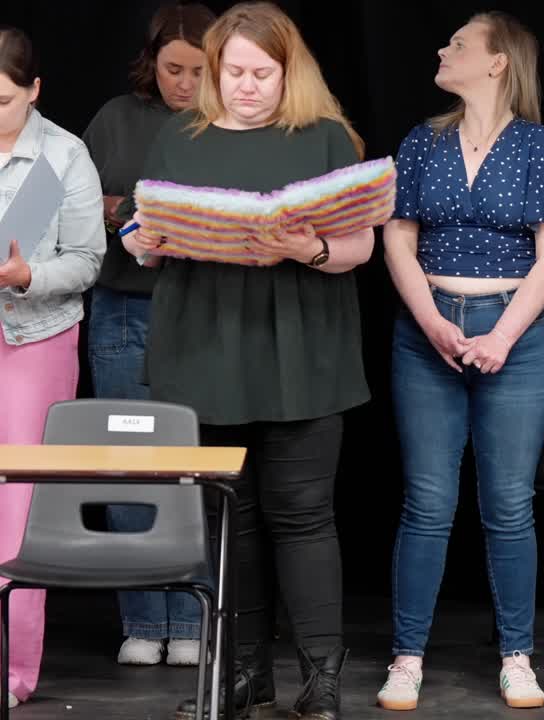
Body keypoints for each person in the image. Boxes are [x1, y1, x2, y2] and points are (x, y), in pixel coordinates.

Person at [119, 3, 373, 718]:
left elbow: (359, 247)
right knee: (232, 519)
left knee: (304, 515)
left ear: (290, 72)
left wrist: (307, 248)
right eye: (233, 72)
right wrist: (143, 241)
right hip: (204, 345)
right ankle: (243, 672)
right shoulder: (180, 135)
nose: (246, 86)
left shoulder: (324, 137)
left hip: (302, 346)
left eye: (262, 73)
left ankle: (321, 678)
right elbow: (145, 232)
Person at [376, 11, 544, 712]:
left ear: (498, 62)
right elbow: (397, 241)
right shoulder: (423, 141)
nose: (444, 50)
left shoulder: (541, 146)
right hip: (428, 333)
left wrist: (501, 337)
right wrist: (431, 321)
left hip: (514, 337)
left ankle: (516, 656)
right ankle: (406, 657)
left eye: (460, 44)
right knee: (427, 502)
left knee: (509, 505)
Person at [81, 1, 216, 669]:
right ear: (150, 63)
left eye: (197, 71)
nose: (184, 84)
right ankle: (141, 619)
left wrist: (131, 208)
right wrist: (123, 211)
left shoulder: (227, 125)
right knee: (130, 464)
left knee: (190, 467)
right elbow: (66, 206)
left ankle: (190, 617)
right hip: (124, 311)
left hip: (203, 314)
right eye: (172, 69)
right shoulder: (115, 118)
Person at [0, 25, 106, 710]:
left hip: (30, 338)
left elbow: (86, 260)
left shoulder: (60, 155)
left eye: (2, 101)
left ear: (34, 90)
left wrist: (27, 274)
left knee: (16, 510)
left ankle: (11, 669)